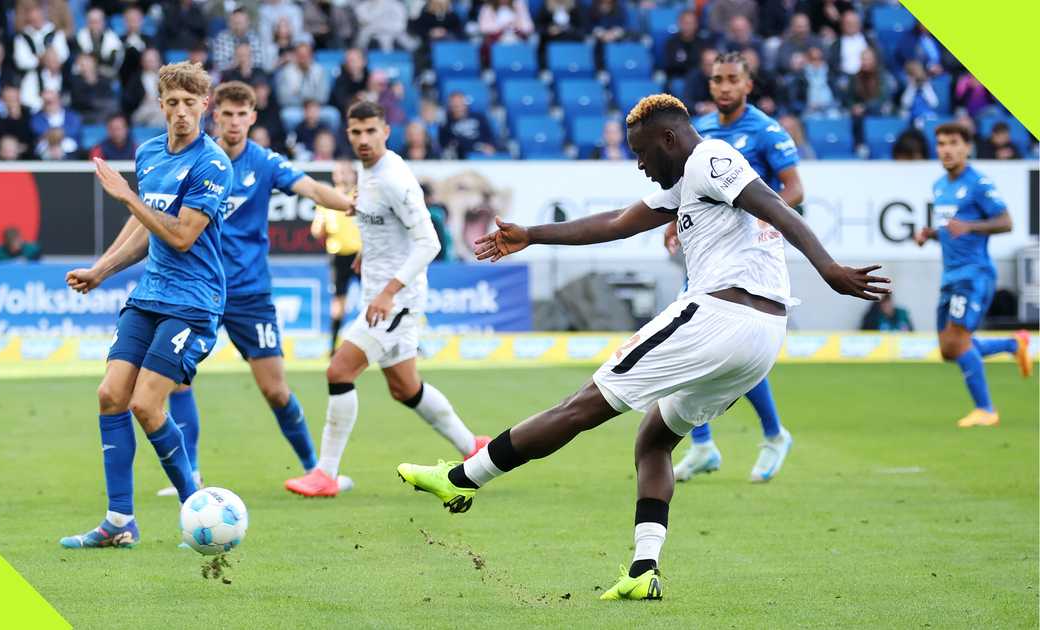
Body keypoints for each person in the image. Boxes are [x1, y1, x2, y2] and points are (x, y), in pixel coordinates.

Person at [397, 93, 890, 599]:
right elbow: (615, 223)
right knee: (653, 439)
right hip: (761, 337)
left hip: (720, 316)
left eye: (641, 152)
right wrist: (534, 234)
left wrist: (828, 267)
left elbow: (775, 206)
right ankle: (643, 571)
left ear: (669, 139)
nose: (639, 163)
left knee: (581, 405)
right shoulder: (687, 181)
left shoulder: (709, 160)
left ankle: (463, 477)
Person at [101, 81, 355, 496]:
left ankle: (316, 468)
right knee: (177, 383)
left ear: (253, 117)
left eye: (243, 114)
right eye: (227, 114)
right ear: (215, 114)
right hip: (195, 290)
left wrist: (348, 204)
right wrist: (104, 266)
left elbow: (310, 188)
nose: (234, 122)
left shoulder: (264, 163)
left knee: (274, 389)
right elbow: (154, 217)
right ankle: (193, 471)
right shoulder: (192, 160)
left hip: (248, 294)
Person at [59, 61, 233, 549]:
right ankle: (119, 522)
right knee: (111, 395)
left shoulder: (213, 163)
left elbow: (180, 235)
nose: (181, 113)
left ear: (205, 106)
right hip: (149, 295)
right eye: (172, 103)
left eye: (189, 104)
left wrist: (128, 197)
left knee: (146, 403)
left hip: (194, 301)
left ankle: (197, 512)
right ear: (160, 105)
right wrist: (102, 268)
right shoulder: (151, 151)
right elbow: (144, 228)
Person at [286, 100, 491, 498]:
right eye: (356, 132)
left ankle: (326, 474)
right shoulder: (371, 173)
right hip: (385, 295)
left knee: (339, 371)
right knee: (405, 388)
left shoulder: (394, 177)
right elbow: (385, 226)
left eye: (371, 131)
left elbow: (429, 242)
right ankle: (474, 448)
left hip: (395, 302)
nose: (363, 139)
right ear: (348, 133)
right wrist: (371, 252)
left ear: (385, 131)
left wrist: (388, 291)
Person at [662, 51, 803, 483]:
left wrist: (764, 213)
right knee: (694, 344)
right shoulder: (700, 131)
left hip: (747, 258)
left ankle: (774, 434)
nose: (723, 86)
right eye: (717, 79)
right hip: (706, 252)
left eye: (732, 79)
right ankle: (703, 444)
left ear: (748, 85)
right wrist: (671, 225)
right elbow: (686, 188)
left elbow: (794, 189)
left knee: (730, 348)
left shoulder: (765, 131)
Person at [913, 122, 1031, 428]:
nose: (946, 149)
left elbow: (1006, 222)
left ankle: (986, 410)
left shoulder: (979, 183)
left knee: (959, 342)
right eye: (941, 143)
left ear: (967, 147)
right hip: (950, 274)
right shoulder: (939, 185)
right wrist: (932, 234)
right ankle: (1014, 345)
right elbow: (951, 231)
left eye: (953, 143)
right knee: (949, 349)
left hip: (974, 274)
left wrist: (970, 227)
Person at [310, 160, 361, 354]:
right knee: (339, 301)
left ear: (354, 175)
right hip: (338, 255)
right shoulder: (327, 199)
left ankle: (387, 341)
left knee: (374, 297)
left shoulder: (361, 195)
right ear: (334, 176)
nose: (343, 176)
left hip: (362, 254)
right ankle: (332, 346)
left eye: (346, 172)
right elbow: (316, 231)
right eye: (339, 172)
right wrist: (321, 227)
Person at [439, 91, 496, 159]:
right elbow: (451, 143)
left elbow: (489, 135)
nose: (458, 108)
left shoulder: (479, 118)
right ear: (450, 106)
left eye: (461, 104)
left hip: (483, 154)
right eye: (455, 105)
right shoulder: (446, 124)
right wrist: (477, 146)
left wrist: (490, 146)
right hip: (462, 156)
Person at [0, 85, 32, 159]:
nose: (12, 102)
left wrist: (16, 117)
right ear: (2, 100)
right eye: (9, 99)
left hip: (23, 157)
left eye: (15, 99)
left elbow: (29, 140)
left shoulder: (27, 115)